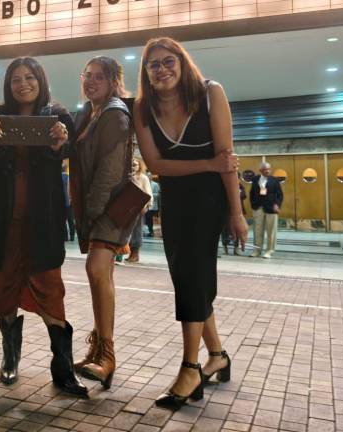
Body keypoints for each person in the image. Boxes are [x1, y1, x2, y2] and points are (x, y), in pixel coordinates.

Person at [134, 37, 246, 411]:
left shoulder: (210, 94)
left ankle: (190, 368)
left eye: (168, 62)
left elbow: (226, 159)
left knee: (193, 278)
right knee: (186, 278)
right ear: (146, 72)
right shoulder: (142, 108)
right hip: (176, 201)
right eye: (154, 65)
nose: (162, 69)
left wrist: (236, 212)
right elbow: (157, 166)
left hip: (209, 199)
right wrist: (209, 164)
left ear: (182, 64)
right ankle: (218, 355)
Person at [0, 56, 87, 396]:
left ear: (41, 80)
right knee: (2, 287)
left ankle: (63, 367)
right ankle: (10, 357)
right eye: (15, 79)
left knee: (50, 289)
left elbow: (67, 151)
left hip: (42, 218)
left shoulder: (59, 115)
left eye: (29, 77)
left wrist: (59, 145)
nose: (23, 83)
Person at [69, 56, 134, 389]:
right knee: (98, 274)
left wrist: (93, 213)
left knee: (97, 270)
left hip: (108, 208)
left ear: (113, 82)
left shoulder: (114, 114)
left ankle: (107, 354)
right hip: (97, 208)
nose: (91, 81)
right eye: (87, 76)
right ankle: (98, 348)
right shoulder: (90, 113)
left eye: (99, 77)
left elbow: (110, 170)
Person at [249, 162, 283, 259]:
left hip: (271, 208)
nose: (267, 171)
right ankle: (256, 250)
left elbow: (279, 194)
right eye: (265, 169)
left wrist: (277, 204)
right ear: (260, 170)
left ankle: (269, 251)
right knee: (257, 230)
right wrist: (253, 204)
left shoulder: (274, 180)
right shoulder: (255, 179)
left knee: (271, 231)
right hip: (258, 207)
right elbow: (252, 192)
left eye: (269, 169)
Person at [127, 158, 153, 263]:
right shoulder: (127, 177)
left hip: (139, 207)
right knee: (128, 231)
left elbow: (148, 193)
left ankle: (135, 254)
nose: (133, 167)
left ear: (139, 166)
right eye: (131, 165)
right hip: (128, 208)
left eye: (135, 165)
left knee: (136, 231)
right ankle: (130, 253)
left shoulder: (143, 178)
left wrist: (146, 206)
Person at [221, 182, 246, 255]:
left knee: (237, 230)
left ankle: (236, 249)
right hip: (225, 210)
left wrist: (236, 194)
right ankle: (225, 248)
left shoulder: (240, 186)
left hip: (237, 211)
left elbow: (244, 195)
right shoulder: (224, 184)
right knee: (224, 230)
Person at [62, 164, 75, 241]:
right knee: (70, 220)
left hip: (61, 203)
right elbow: (70, 190)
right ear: (66, 169)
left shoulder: (58, 178)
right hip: (68, 203)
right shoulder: (69, 177)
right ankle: (72, 236)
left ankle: (65, 237)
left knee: (63, 220)